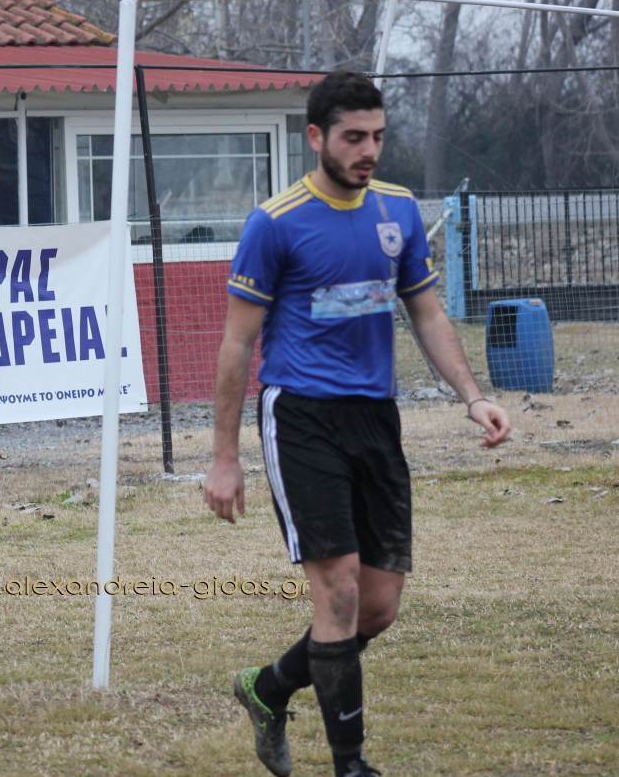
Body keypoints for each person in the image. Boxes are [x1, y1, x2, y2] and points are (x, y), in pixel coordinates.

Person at [204, 71, 511, 777]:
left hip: (376, 418)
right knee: (337, 589)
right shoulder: (275, 222)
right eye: (353, 137)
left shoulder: (398, 210)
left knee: (376, 608)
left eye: (377, 136)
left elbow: (426, 313)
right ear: (316, 137)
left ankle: (267, 687)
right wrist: (224, 456)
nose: (368, 150)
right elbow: (236, 344)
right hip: (302, 416)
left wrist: (472, 396)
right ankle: (352, 765)